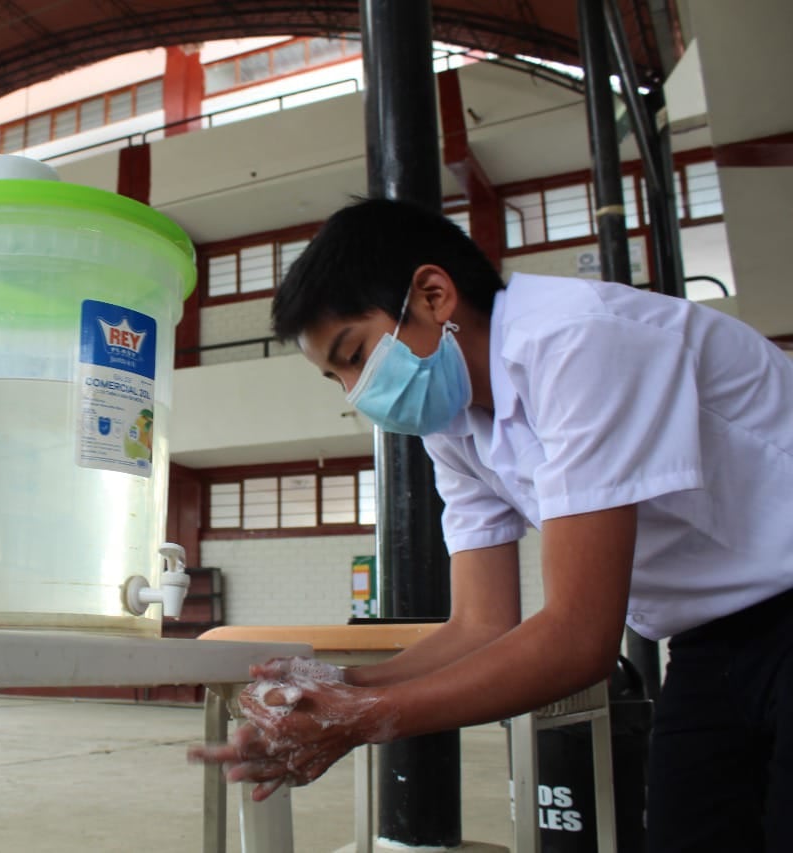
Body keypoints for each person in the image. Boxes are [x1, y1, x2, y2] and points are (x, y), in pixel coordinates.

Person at [188, 198, 793, 851]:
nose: (357, 394)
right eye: (337, 379)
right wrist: (340, 688)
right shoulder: (454, 430)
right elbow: (480, 623)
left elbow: (577, 638)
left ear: (434, 294)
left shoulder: (578, 340)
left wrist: (364, 719)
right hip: (705, 645)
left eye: (355, 355)